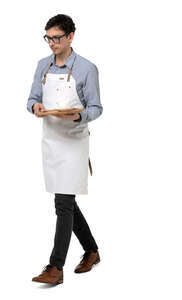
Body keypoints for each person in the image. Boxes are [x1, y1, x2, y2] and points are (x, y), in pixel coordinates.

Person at [27, 14, 103, 285]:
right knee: (67, 202)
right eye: (48, 37)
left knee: (62, 203)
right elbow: (33, 98)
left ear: (71, 36)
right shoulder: (42, 66)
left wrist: (78, 116)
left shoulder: (86, 68)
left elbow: (96, 107)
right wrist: (34, 106)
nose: (52, 43)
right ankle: (92, 251)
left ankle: (55, 267)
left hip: (74, 141)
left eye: (57, 38)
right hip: (51, 140)